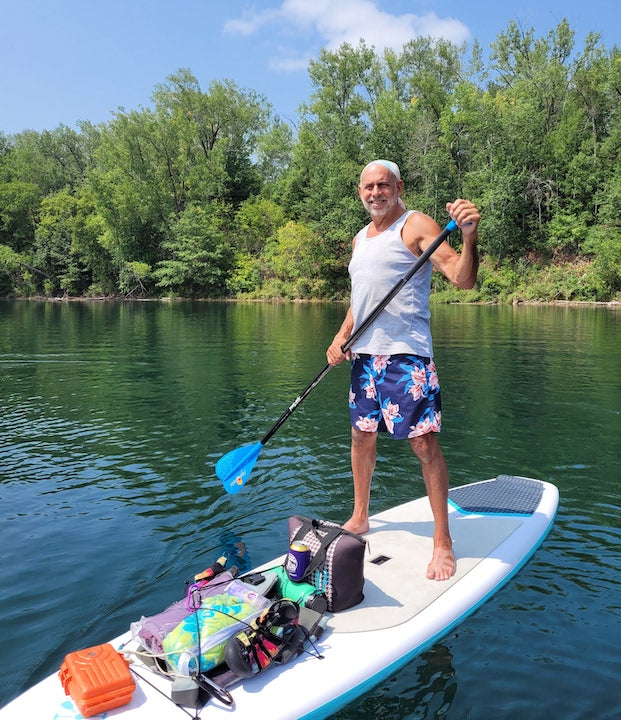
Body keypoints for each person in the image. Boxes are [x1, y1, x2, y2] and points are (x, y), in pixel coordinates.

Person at [326, 159, 480, 581]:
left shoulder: (415, 225)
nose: (375, 193)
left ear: (398, 187)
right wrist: (341, 336)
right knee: (361, 436)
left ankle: (443, 541)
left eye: (383, 185)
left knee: (424, 446)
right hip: (364, 358)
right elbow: (362, 299)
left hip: (406, 356)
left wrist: (469, 236)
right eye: (368, 187)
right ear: (360, 192)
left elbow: (462, 279)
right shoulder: (360, 239)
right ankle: (360, 516)